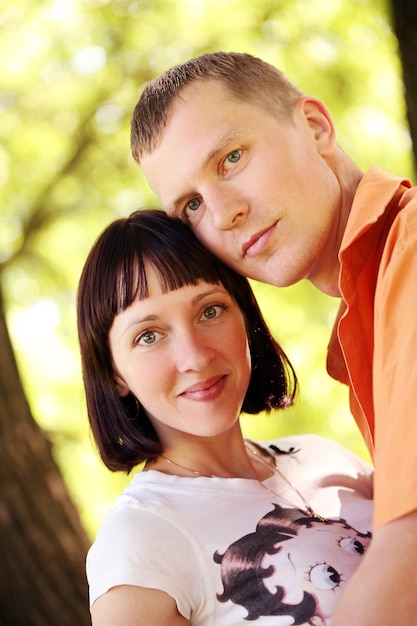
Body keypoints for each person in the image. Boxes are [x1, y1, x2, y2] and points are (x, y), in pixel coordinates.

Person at [129, 52, 417, 624]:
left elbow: (408, 566)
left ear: (315, 127)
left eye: (231, 158)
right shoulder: (374, 301)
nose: (223, 214)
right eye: (190, 206)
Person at [77, 209, 373, 626]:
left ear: (245, 317)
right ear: (114, 373)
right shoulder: (141, 541)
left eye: (210, 311)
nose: (195, 356)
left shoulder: (321, 456)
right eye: (149, 335)